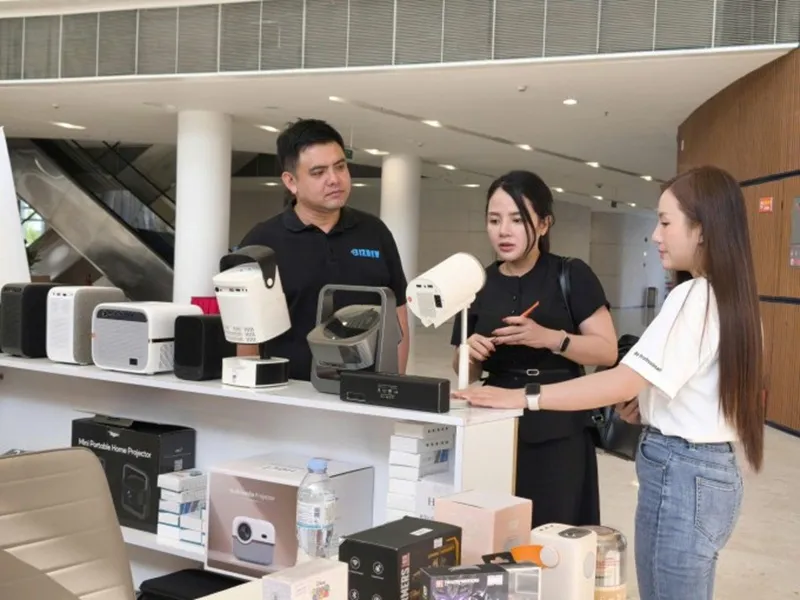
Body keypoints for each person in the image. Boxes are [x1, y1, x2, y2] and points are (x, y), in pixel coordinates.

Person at [454, 165, 764, 600]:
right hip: (703, 472)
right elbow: (686, 384)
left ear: (702, 229)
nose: (655, 235)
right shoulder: (726, 296)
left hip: (681, 472)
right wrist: (650, 402)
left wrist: (523, 397)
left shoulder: (692, 297)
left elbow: (619, 376)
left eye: (665, 222)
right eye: (494, 219)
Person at [450, 170, 618, 528]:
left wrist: (551, 338)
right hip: (493, 424)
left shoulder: (571, 274)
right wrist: (468, 353)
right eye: (494, 220)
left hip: (559, 424)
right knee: (494, 531)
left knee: (554, 531)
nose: (503, 231)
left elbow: (607, 351)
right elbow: (465, 369)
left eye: (517, 220)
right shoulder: (477, 283)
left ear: (543, 224)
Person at [237, 119, 410, 380]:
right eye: (318, 172)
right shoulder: (262, 241)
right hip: (288, 390)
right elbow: (246, 333)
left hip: (365, 390)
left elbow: (398, 316)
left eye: (340, 167)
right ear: (291, 181)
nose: (334, 179)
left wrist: (394, 385)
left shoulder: (375, 232)